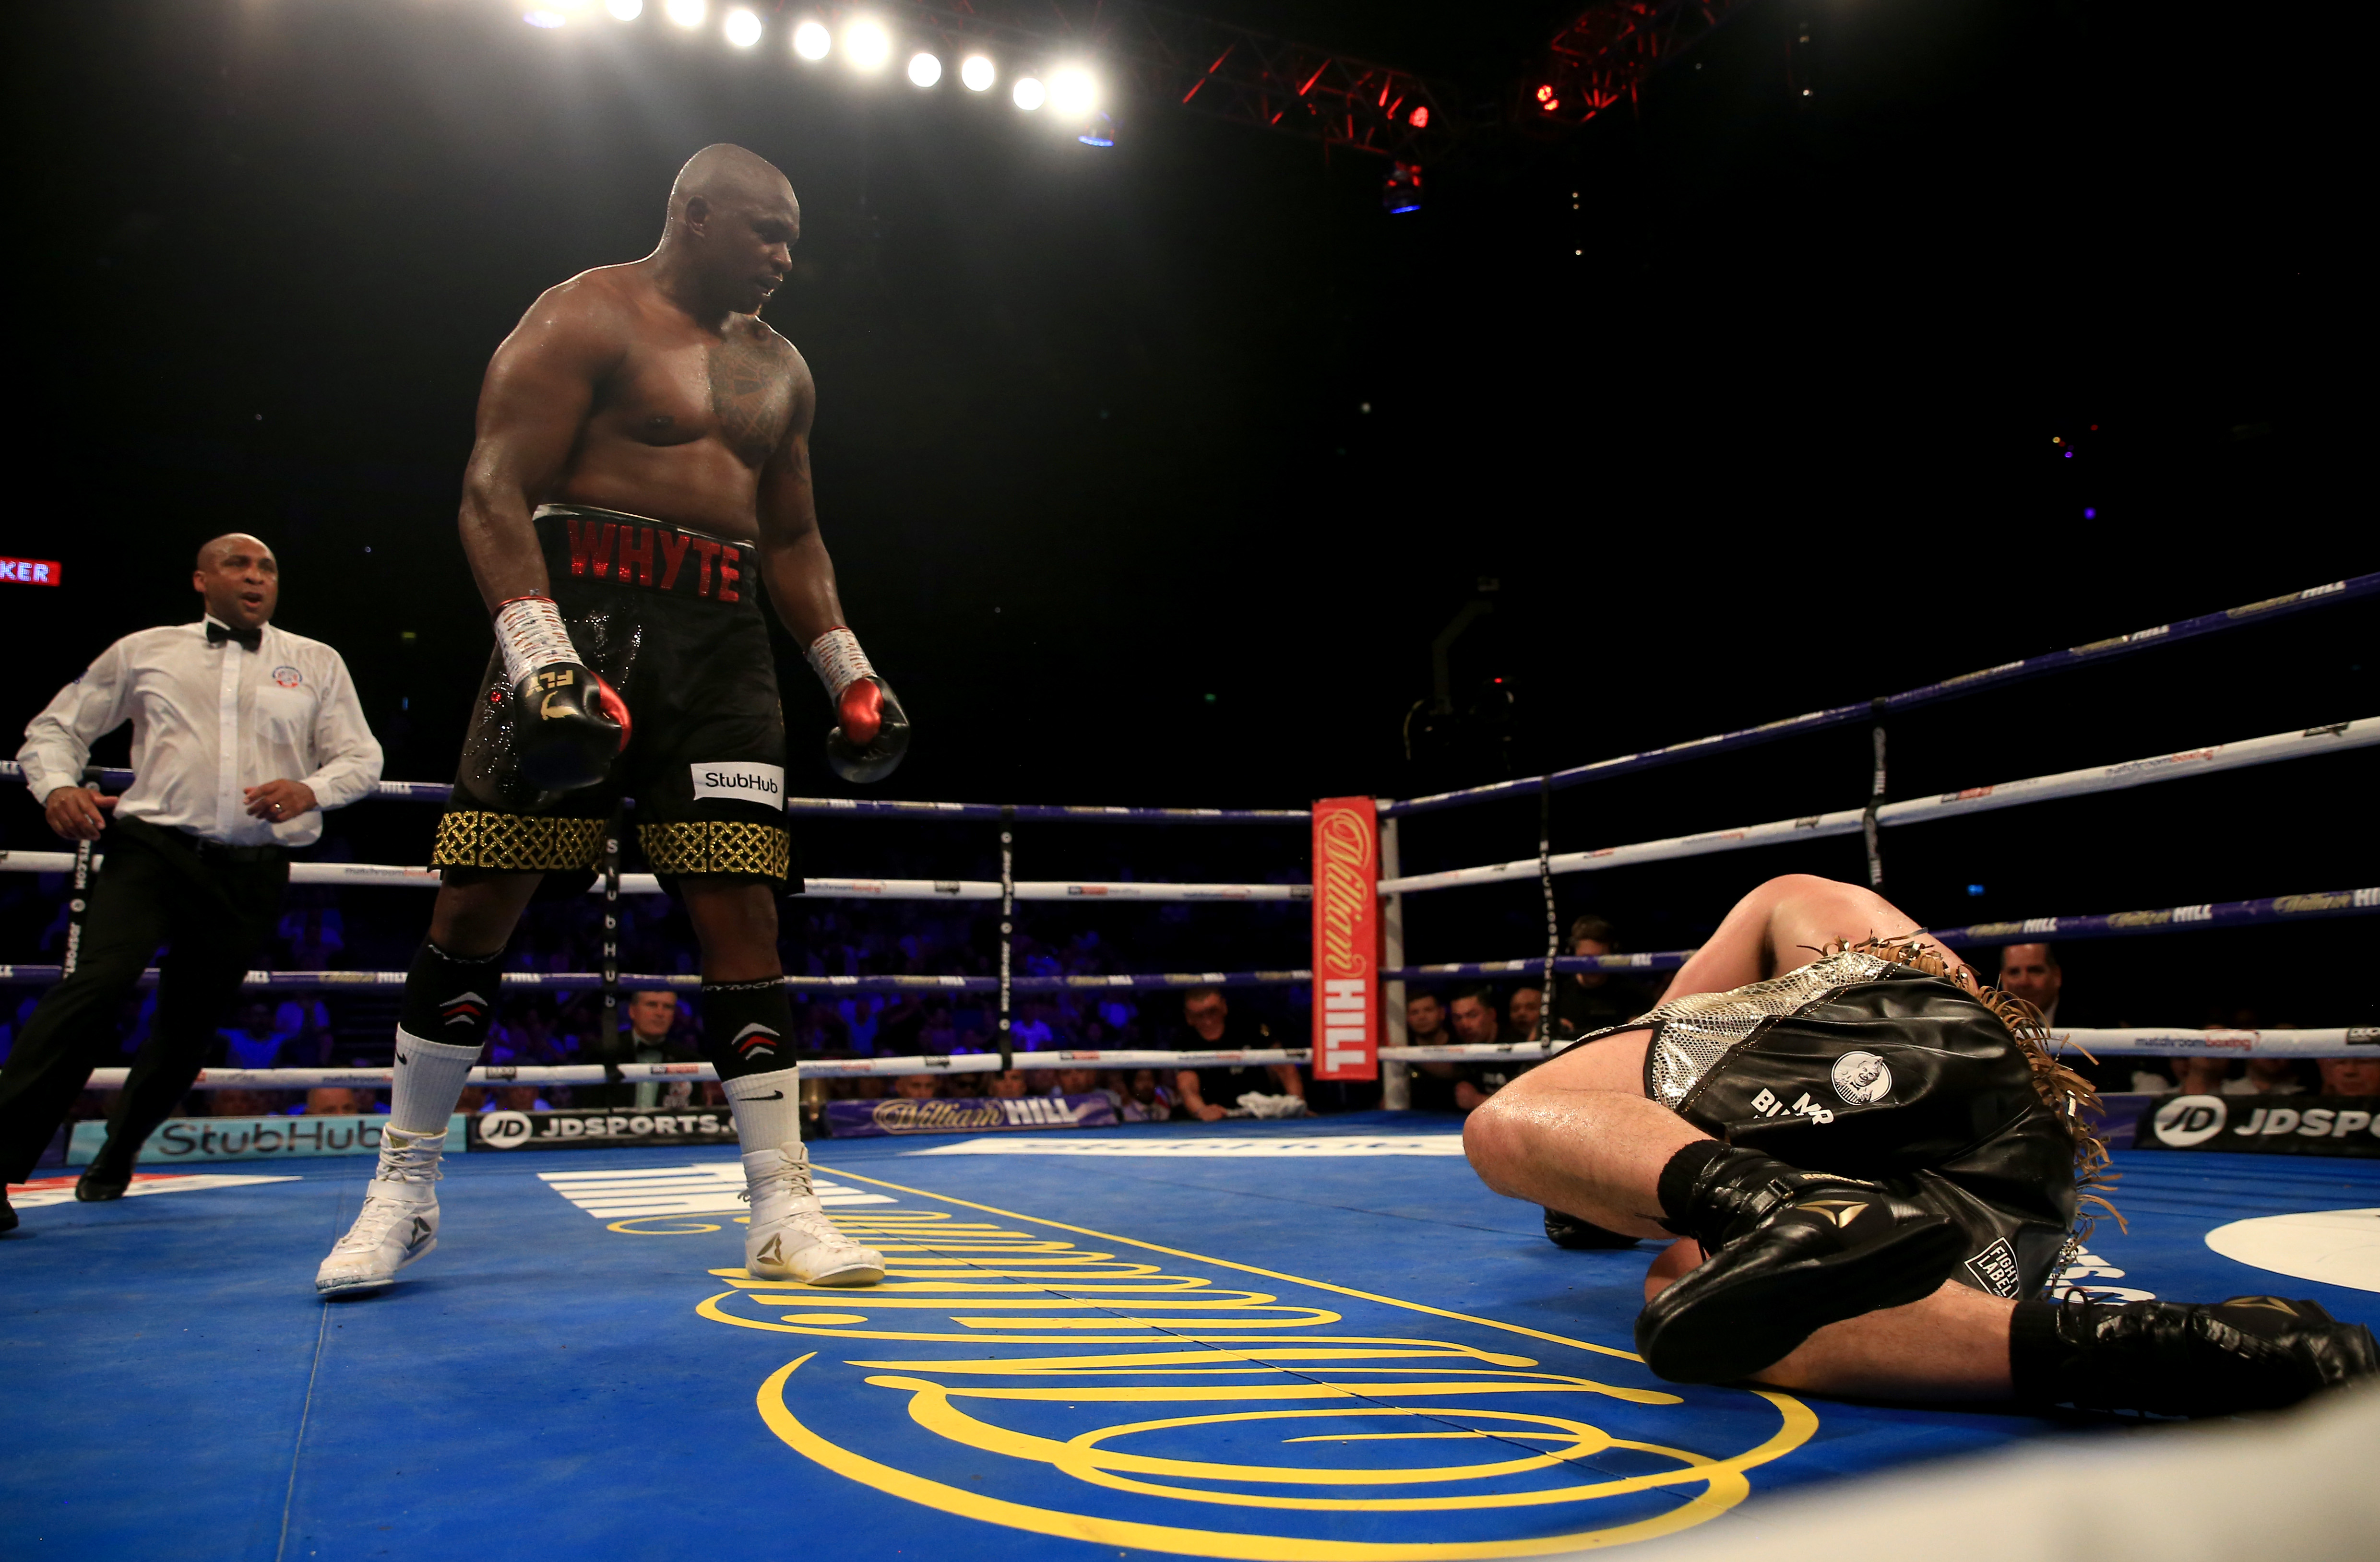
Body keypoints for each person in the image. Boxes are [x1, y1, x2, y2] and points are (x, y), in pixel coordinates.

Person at [313, 144, 903, 1298]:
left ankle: (782, 1205)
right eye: (764, 232)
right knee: (480, 896)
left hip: (722, 649)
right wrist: (542, 657)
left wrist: (847, 669)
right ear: (691, 215)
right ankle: (402, 1188)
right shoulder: (586, 313)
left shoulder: (780, 367)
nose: (785, 258)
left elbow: (791, 540)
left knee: (742, 911)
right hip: (574, 614)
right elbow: (492, 488)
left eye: (792, 237)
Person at [1463, 874, 2377, 1416]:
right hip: (2032, 1157)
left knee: (1510, 1122)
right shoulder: (1835, 953)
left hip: (1906, 1024)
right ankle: (2181, 1344)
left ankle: (1786, 1204)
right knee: (1705, 1296)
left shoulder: (1792, 905)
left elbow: (1658, 1031)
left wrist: (1575, 1164)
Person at [0, 533, 382, 1231]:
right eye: (238, 565)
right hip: (153, 851)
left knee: (188, 1026)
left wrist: (311, 788)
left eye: (267, 566)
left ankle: (119, 1152)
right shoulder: (146, 650)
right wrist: (56, 787)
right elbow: (54, 730)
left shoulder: (315, 661)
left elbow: (362, 757)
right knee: (92, 990)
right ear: (202, 581)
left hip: (252, 867)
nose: (256, 576)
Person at [1170, 986, 1303, 1122]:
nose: (1208, 1021)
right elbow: (1187, 1085)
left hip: (1262, 1113)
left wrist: (1297, 1105)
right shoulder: (1184, 1039)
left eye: (1212, 1012)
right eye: (1199, 1015)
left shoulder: (1248, 1024)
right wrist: (1201, 1111)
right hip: (1216, 1118)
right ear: (1189, 1017)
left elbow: (1285, 1068)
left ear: (1223, 1006)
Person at [1553, 914, 1656, 1038]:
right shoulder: (1556, 993)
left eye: (1600, 959)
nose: (1592, 966)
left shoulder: (1634, 993)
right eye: (1586, 958)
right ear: (1573, 953)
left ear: (1612, 954)